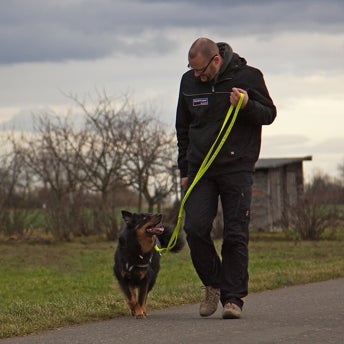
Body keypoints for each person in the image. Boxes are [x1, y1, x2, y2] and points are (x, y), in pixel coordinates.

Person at [175, 37, 276, 319]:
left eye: (201, 70)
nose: (197, 75)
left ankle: (233, 300)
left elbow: (269, 114)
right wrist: (184, 171)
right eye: (193, 70)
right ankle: (213, 284)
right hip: (201, 169)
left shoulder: (248, 77)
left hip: (237, 167)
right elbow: (182, 128)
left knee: (234, 234)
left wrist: (246, 106)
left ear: (216, 60)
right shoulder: (188, 83)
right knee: (194, 228)